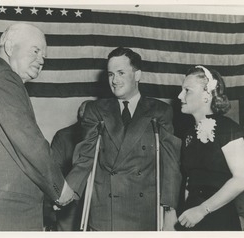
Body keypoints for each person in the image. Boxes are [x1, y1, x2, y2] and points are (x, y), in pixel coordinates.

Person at [0, 23, 74, 231]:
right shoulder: (3, 78)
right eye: (35, 50)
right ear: (9, 47)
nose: (41, 59)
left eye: (44, 56)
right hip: (1, 214)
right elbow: (30, 144)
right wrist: (60, 189)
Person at [62, 47, 182, 231]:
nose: (115, 80)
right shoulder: (95, 109)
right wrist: (67, 191)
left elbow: (170, 164)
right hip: (104, 211)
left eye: (120, 73)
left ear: (137, 75)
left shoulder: (160, 111)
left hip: (144, 213)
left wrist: (170, 210)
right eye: (110, 74)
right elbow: (85, 158)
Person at [176, 65, 244, 231]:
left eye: (187, 90)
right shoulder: (188, 134)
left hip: (218, 215)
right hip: (191, 216)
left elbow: (242, 179)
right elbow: (189, 181)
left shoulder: (228, 129)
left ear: (206, 95)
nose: (180, 95)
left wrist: (202, 210)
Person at [44, 100, 91, 231]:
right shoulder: (64, 136)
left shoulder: (63, 135)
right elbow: (54, 170)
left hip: (75, 200)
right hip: (71, 201)